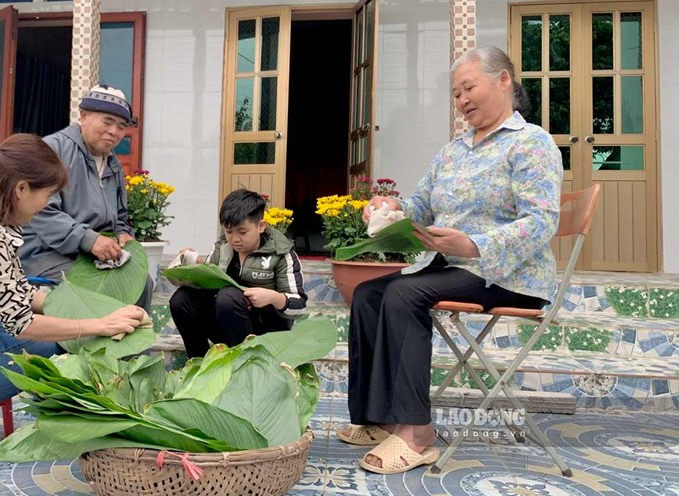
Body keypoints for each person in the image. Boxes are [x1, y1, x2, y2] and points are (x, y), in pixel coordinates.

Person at [336, 46, 563, 474]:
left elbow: (541, 221)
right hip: (452, 269)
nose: (461, 100)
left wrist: (475, 244)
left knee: (404, 293)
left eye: (468, 88)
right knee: (368, 294)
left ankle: (416, 433)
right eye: (456, 94)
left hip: (506, 273)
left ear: (504, 80)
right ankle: (378, 419)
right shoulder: (453, 151)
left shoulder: (531, 143)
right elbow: (421, 205)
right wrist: (391, 207)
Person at [0, 134, 145, 409]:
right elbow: (22, 324)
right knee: (74, 343)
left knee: (73, 337)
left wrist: (94, 311)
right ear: (21, 189)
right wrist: (101, 325)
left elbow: (22, 293)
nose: (46, 204)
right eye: (46, 195)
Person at [20, 84, 153, 312]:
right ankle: (94, 337)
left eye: (121, 126)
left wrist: (123, 233)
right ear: (83, 116)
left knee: (142, 283)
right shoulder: (52, 150)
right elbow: (39, 211)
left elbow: (120, 216)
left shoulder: (112, 163)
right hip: (46, 253)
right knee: (104, 290)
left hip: (89, 256)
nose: (114, 132)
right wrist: (88, 239)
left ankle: (132, 338)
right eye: (107, 122)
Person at [169, 189, 308, 357]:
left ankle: (246, 362)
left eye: (242, 232)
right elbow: (207, 286)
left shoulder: (281, 253)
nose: (235, 239)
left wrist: (273, 297)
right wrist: (193, 266)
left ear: (261, 226)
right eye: (229, 231)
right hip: (227, 325)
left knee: (228, 297)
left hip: (266, 332)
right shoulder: (221, 247)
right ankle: (199, 361)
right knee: (181, 299)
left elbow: (299, 306)